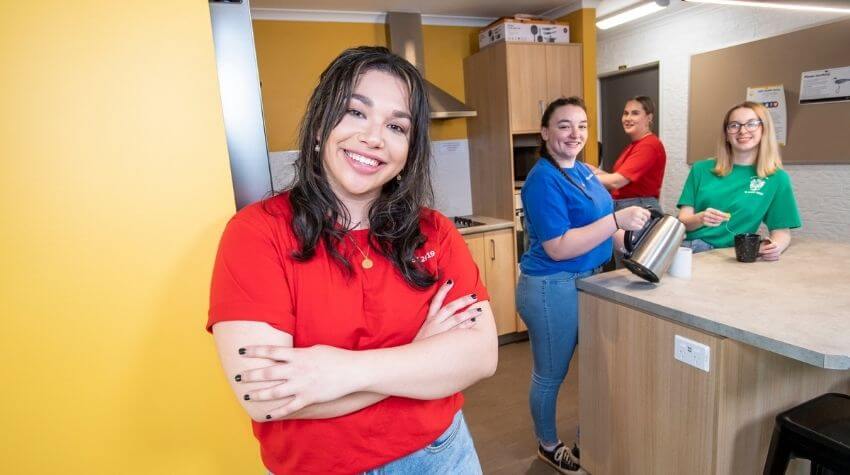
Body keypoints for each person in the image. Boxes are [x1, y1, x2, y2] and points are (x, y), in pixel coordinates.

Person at [206, 46, 498, 475]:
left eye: (396, 125)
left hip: (443, 455)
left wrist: (340, 371)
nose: (374, 137)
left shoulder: (435, 232)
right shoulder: (256, 233)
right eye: (355, 112)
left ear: (408, 151)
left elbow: (480, 356)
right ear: (321, 126)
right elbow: (265, 398)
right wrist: (420, 355)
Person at [516, 97, 650, 474]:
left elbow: (600, 226)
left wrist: (629, 241)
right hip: (551, 287)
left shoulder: (585, 172)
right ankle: (548, 444)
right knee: (551, 374)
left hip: (590, 282)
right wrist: (615, 222)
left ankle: (586, 437)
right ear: (545, 132)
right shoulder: (543, 180)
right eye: (564, 125)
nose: (575, 134)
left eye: (582, 126)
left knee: (594, 368)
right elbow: (559, 247)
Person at [677, 101, 801, 258]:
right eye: (734, 125)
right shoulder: (700, 169)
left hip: (734, 256)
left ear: (764, 130)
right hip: (690, 250)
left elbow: (782, 232)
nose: (742, 131)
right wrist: (700, 218)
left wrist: (776, 247)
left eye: (752, 124)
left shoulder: (777, 179)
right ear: (727, 135)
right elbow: (683, 222)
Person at [592, 96, 667, 214]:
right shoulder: (635, 146)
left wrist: (584, 178)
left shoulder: (649, 145)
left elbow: (616, 182)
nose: (628, 118)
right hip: (630, 206)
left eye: (635, 113)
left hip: (638, 208)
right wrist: (592, 171)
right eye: (625, 113)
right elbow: (623, 182)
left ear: (649, 117)